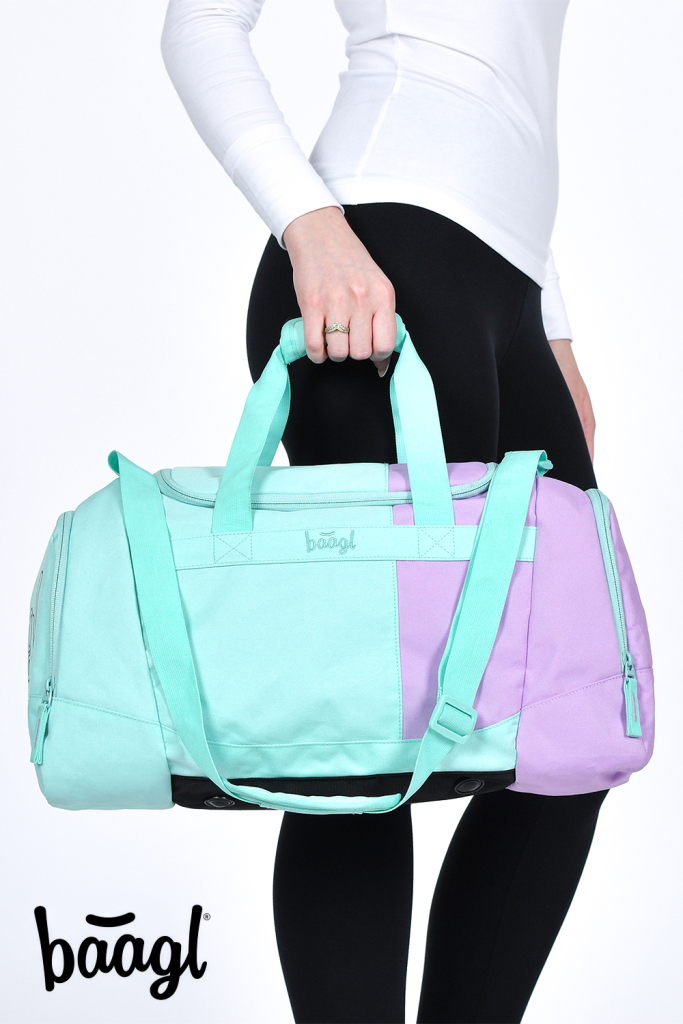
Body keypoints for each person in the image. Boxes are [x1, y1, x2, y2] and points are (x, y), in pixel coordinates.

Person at [160, 3, 606, 1021]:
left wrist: (549, 324)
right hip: (373, 255)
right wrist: (308, 224)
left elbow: (514, 84)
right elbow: (199, 25)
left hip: (504, 289)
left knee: (569, 725)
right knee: (360, 735)